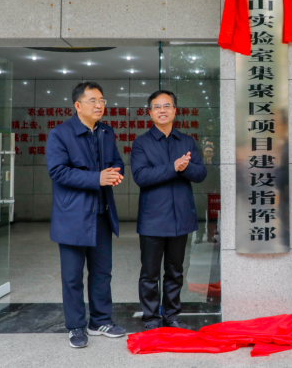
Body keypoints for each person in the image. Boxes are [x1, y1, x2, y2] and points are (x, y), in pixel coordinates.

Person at [46, 81, 126, 349]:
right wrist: (97, 177)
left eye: (102, 100)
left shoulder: (106, 132)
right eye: (93, 100)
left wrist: (115, 173)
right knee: (72, 276)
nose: (99, 105)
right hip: (72, 217)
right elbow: (58, 172)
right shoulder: (60, 134)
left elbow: (117, 161)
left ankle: (100, 320)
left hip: (101, 213)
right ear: (77, 105)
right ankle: (76, 326)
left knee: (102, 272)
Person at [131, 90, 207, 331]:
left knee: (175, 272)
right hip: (153, 220)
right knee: (150, 274)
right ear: (150, 113)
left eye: (167, 106)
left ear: (175, 110)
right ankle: (151, 319)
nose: (162, 110)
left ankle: (172, 316)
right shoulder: (141, 143)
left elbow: (200, 173)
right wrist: (174, 167)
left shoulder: (186, 141)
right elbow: (141, 176)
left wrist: (184, 168)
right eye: (157, 107)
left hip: (180, 219)